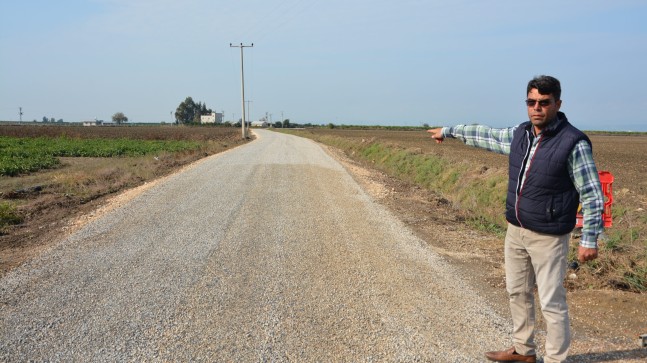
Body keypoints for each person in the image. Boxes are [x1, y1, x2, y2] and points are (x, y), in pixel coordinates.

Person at [427, 75, 604, 363]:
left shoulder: (573, 142)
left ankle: (557, 359)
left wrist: (589, 239)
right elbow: (485, 134)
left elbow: (593, 194)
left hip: (549, 236)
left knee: (551, 302)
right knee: (517, 292)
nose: (537, 108)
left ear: (557, 104)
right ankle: (524, 351)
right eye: (531, 102)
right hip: (517, 230)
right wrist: (448, 131)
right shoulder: (521, 134)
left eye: (544, 103)